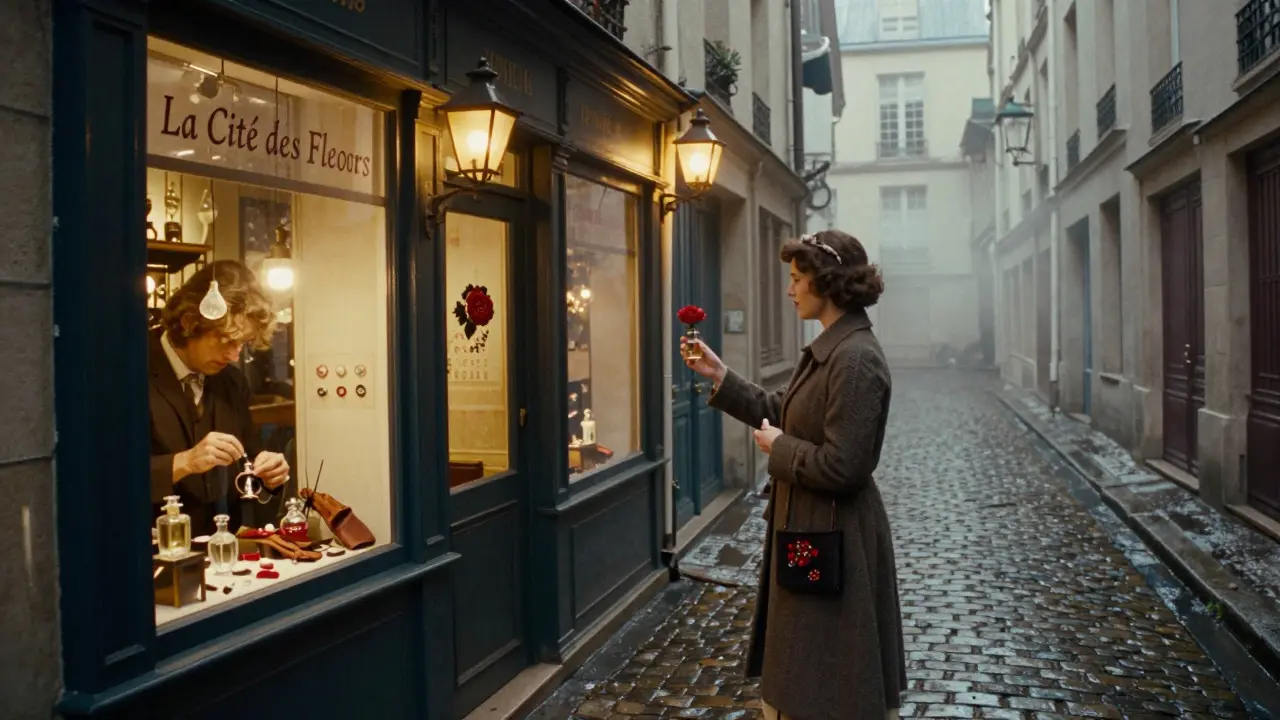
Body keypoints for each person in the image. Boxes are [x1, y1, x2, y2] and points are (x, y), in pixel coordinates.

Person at [682, 230, 904, 720]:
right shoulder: (833, 348)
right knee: (803, 678)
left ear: (827, 283)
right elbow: (785, 410)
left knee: (828, 684)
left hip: (836, 541)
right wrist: (723, 377)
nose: (790, 290)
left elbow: (845, 465)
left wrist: (780, 448)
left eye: (797, 278)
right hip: (813, 529)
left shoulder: (857, 358)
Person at [149, 260, 290, 535]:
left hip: (222, 551)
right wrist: (185, 462)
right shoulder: (126, 372)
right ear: (190, 322)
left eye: (243, 343)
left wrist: (270, 476)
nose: (234, 355)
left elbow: (247, 460)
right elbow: (104, 477)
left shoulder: (232, 382)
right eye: (227, 340)